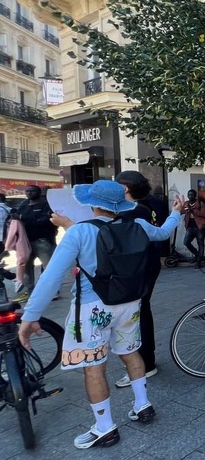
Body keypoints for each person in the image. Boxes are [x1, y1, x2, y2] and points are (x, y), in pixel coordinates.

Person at [18, 180, 183, 449]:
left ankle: (105, 428)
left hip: (92, 307)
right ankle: (142, 404)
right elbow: (164, 233)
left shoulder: (79, 231)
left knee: (94, 366)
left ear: (92, 204)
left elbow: (51, 277)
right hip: (130, 303)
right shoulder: (138, 225)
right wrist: (176, 212)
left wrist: (31, 315)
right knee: (131, 352)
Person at [113, 171, 162, 387]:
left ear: (125, 188)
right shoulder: (148, 204)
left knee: (137, 313)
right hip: (147, 264)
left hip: (139, 266)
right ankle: (146, 361)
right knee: (141, 311)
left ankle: (144, 364)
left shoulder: (134, 211)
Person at [17, 185, 57, 297]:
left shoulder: (46, 205)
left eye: (32, 191)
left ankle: (52, 292)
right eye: (27, 191)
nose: (29, 193)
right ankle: (30, 292)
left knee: (49, 268)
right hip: (26, 242)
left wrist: (24, 219)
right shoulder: (24, 205)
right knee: (27, 268)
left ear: (39, 192)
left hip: (43, 241)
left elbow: (47, 220)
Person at [182, 189, 205, 267]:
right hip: (190, 227)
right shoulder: (186, 203)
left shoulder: (200, 203)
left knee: (200, 244)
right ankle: (198, 255)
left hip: (200, 227)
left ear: (195, 196)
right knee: (186, 242)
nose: (190, 196)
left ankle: (199, 262)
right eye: (189, 195)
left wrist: (193, 211)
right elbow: (182, 211)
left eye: (192, 195)